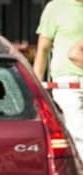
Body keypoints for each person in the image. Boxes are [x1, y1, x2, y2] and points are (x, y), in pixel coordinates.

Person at [33, 0, 83, 155]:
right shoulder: (56, 7)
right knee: (78, 130)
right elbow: (43, 49)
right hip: (67, 81)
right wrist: (35, 87)